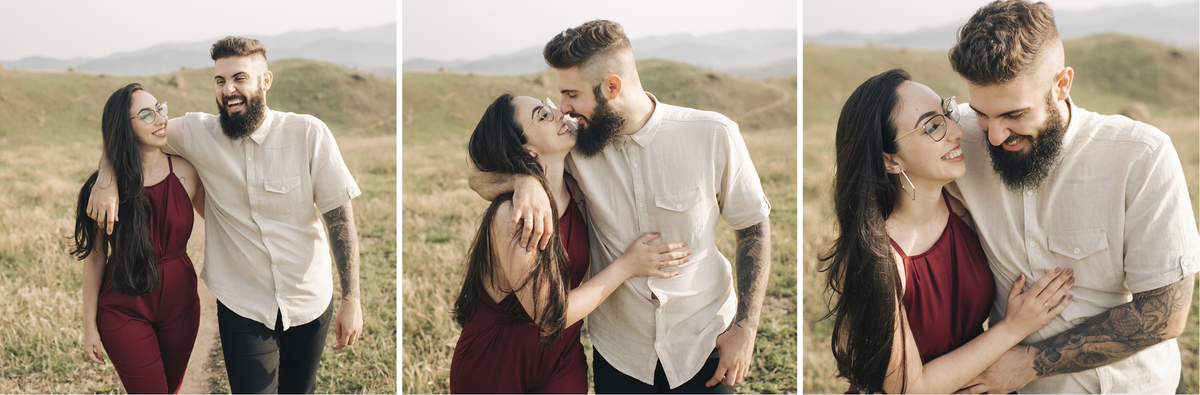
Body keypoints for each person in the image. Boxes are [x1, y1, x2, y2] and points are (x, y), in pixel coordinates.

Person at [469, 20, 772, 393]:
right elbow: (482, 169)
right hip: (620, 355)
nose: (564, 109)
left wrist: (746, 327)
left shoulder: (714, 135)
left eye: (572, 94)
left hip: (703, 342)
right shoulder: (575, 144)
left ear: (612, 87)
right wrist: (523, 180)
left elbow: (753, 229)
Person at [944, 1, 1200, 393]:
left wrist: (1031, 364)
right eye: (982, 114)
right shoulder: (960, 140)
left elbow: (1164, 315)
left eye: (1014, 115)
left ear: (1062, 84)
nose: (994, 135)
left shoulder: (1142, 156)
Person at [86, 37, 363, 394]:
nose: (228, 89)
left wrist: (351, 299)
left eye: (239, 78)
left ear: (266, 81)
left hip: (309, 297)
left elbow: (340, 219)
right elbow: (129, 134)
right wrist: (107, 177)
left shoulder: (308, 133)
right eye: (220, 80)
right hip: (242, 303)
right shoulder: (197, 132)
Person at [820, 69, 1075, 394]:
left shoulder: (963, 212)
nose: (957, 131)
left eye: (947, 113)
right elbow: (911, 389)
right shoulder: (879, 259)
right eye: (932, 127)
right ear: (890, 161)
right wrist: (1013, 328)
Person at [450, 94, 691, 393]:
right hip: (497, 362)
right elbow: (549, 317)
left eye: (548, 106)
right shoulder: (511, 216)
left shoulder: (575, 190)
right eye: (542, 116)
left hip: (562, 357)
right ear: (525, 149)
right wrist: (628, 265)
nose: (557, 112)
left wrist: (525, 180)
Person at [74, 83, 205, 394]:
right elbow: (95, 257)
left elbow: (222, 223)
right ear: (125, 127)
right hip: (123, 308)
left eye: (161, 109)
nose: (160, 119)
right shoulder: (102, 189)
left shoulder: (186, 173)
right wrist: (89, 326)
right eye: (147, 114)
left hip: (181, 306)